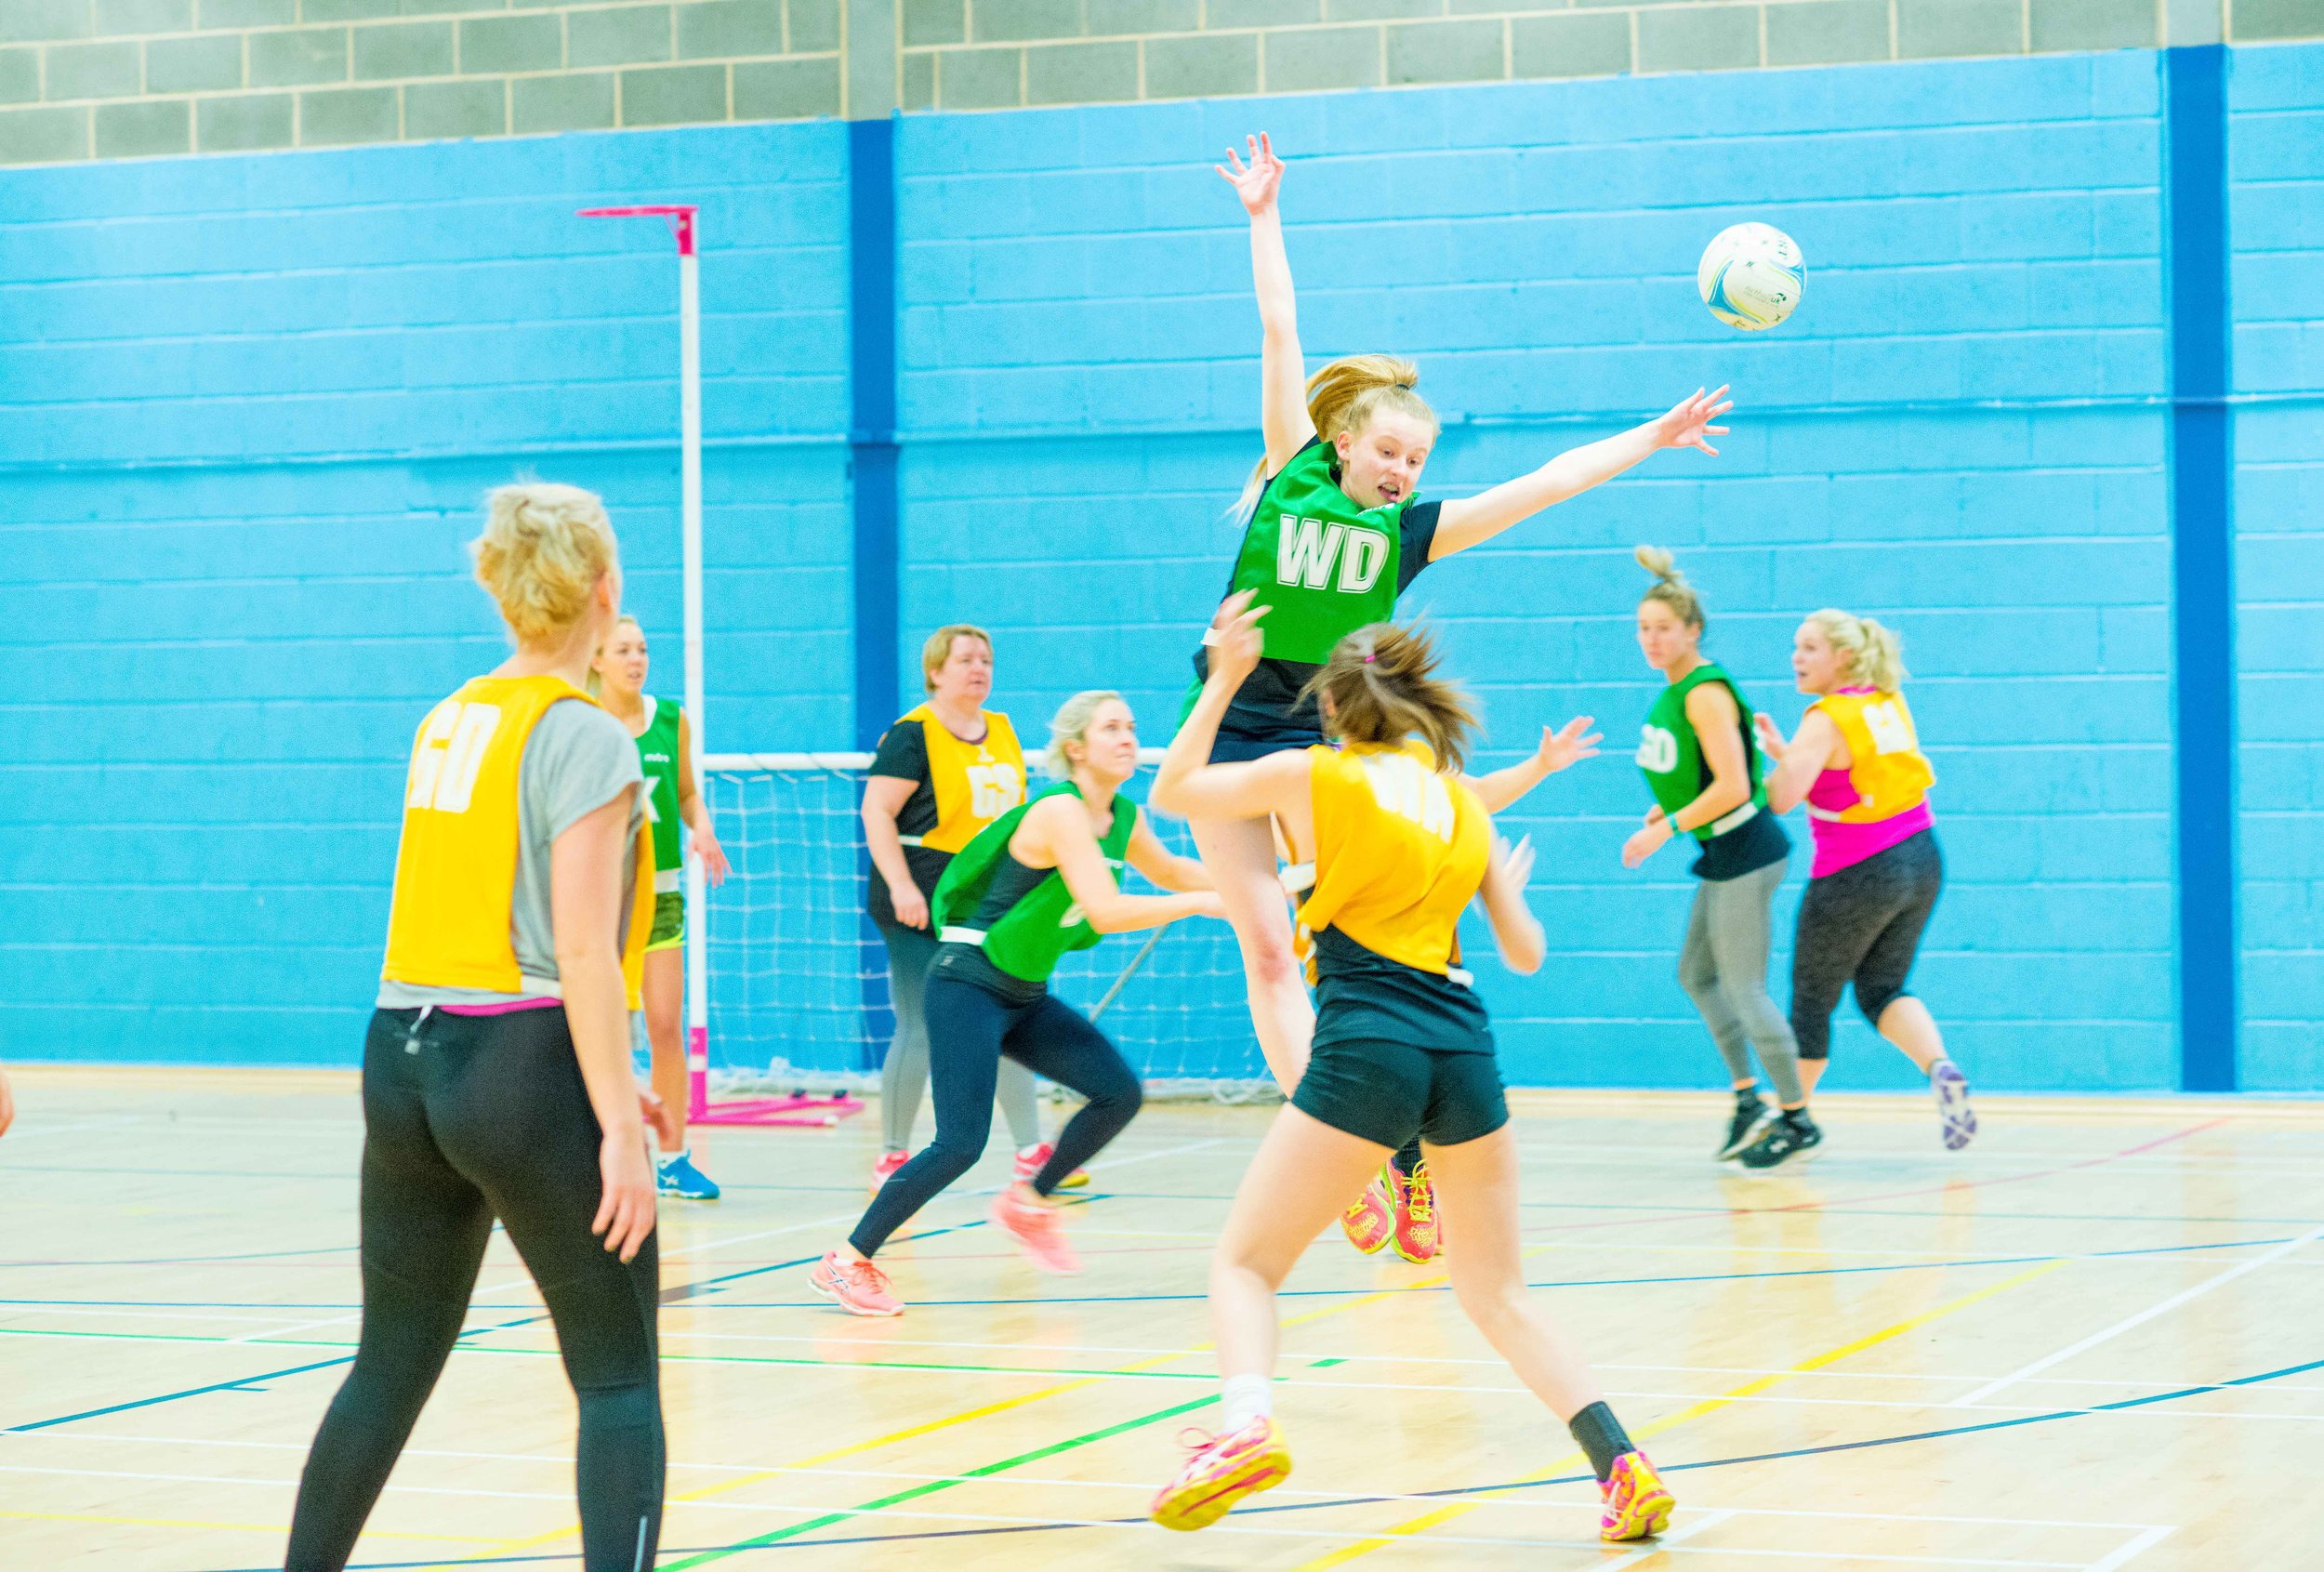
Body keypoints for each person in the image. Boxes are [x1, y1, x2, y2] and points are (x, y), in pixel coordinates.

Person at [1195, 132, 1732, 1257]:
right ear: (1344, 440)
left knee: (1334, 936)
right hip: (1230, 707)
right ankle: (1347, 1158)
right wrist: (1260, 218)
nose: (1401, 472)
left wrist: (1657, 435)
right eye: (1388, 451)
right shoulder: (1290, 458)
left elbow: (1548, 482)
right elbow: (1280, 329)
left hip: (1324, 728)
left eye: (1416, 462)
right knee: (1258, 946)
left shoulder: (1407, 534)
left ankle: (1405, 1145)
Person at [1146, 597, 1673, 1544]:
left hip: (1368, 1039)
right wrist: (1499, 876)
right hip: (1465, 1047)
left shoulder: (1310, 772)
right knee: (1498, 1291)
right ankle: (1622, 1464)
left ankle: (1243, 1428)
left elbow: (1173, 792)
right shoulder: (1457, 798)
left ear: (1335, 711)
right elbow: (1526, 953)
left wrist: (1224, 674)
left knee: (1244, 1262)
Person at [286, 482, 674, 1571]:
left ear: (498, 590)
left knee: (388, 1364)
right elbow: (585, 953)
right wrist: (618, 1124)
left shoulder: (447, 716)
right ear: (605, 589)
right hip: (519, 1064)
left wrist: (596, 1084)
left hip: (402, 1058)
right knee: (618, 1379)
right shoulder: (587, 736)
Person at [811, 693, 1221, 1317]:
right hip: (967, 983)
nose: (1128, 737)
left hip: (1022, 992)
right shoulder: (1060, 811)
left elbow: (1168, 869)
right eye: (1112, 727)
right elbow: (1108, 910)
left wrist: (1255, 886)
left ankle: (1029, 1199)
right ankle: (846, 1258)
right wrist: (1201, 903)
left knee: (1118, 1092)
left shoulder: (1124, 815)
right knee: (960, 1142)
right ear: (1077, 747)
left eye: (1133, 726)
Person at [1622, 548, 1816, 1170]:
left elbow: (1736, 785)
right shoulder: (1677, 690)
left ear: (1692, 631)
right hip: (1720, 846)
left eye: (1664, 629)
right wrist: (1666, 813)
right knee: (1696, 975)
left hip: (1747, 848)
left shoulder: (1704, 692)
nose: (1652, 640)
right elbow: (1698, 777)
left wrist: (1666, 829)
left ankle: (1796, 1116)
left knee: (1743, 985)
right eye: (1644, 629)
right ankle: (1747, 1098)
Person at [861, 626, 1071, 1196]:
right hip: (921, 889)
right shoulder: (912, 735)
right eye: (965, 660)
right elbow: (876, 811)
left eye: (986, 659)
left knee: (1007, 1016)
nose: (979, 668)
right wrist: (901, 885)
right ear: (935, 671)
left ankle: (1032, 1151)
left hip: (988, 895)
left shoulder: (1001, 730)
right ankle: (892, 1154)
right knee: (921, 1023)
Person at [1755, 610, 1974, 1150]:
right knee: (1882, 988)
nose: (1796, 658)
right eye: (1795, 647)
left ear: (1843, 656)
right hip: (1922, 859)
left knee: (1811, 1000)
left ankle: (1793, 1119)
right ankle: (1941, 1067)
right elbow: (1850, 776)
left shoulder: (1824, 717)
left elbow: (1780, 797)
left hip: (1859, 873)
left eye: (1809, 648)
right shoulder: (1884, 701)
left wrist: (1757, 773)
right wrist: (1790, 757)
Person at [591, 615, 732, 1201]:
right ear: (596, 658)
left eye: (643, 648)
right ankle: (594, 1151)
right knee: (599, 1031)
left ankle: (673, 1157)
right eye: (622, 649)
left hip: (661, 893)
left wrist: (704, 830)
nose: (636, 658)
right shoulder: (580, 722)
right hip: (599, 897)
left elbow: (687, 793)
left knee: (665, 1025)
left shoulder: (670, 719)